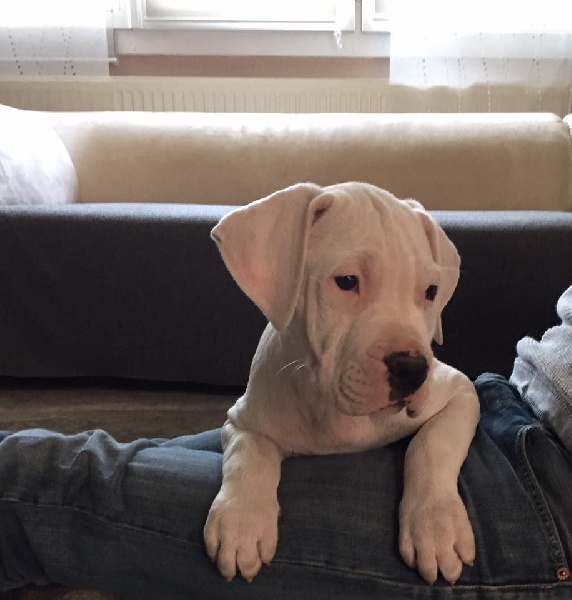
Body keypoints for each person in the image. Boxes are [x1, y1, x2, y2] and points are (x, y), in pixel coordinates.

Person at [0, 287, 571, 600]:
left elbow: (451, 390)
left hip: (544, 499)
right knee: (119, 460)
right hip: (512, 397)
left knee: (37, 484)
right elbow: (247, 424)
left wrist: (431, 486)